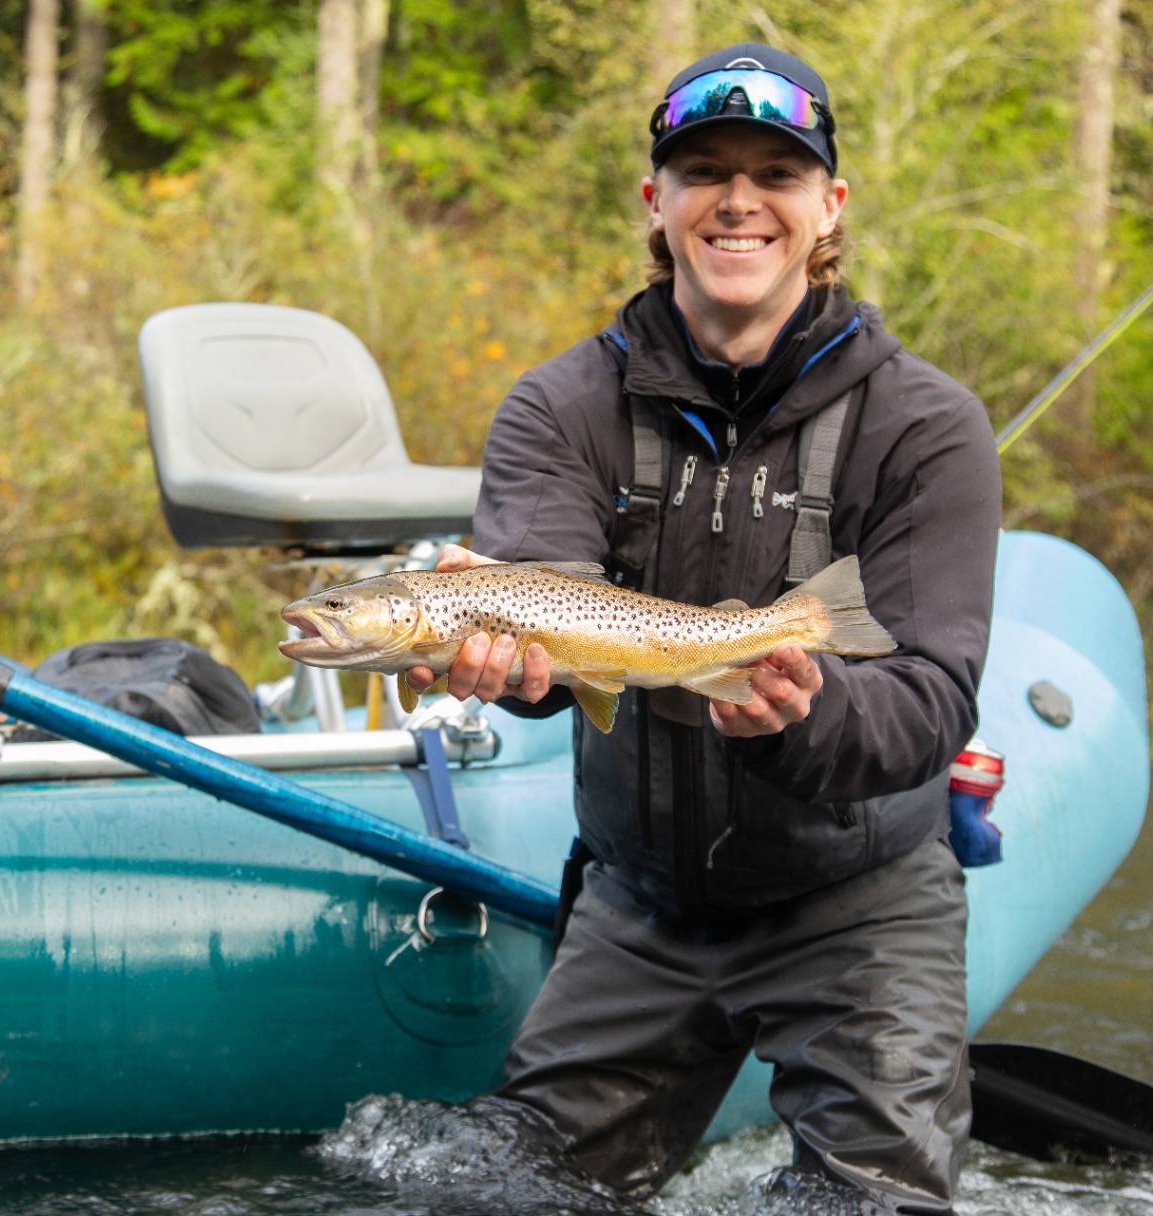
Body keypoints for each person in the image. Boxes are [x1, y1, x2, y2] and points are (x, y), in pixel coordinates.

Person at [403, 42, 1002, 1215]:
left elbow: (932, 698)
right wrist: (505, 669)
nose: (739, 200)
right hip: (642, 903)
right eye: (704, 170)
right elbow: (541, 617)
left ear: (828, 206)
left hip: (862, 901)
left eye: (776, 173)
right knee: (489, 1194)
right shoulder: (557, 407)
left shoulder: (929, 423)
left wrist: (805, 713)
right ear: (657, 202)